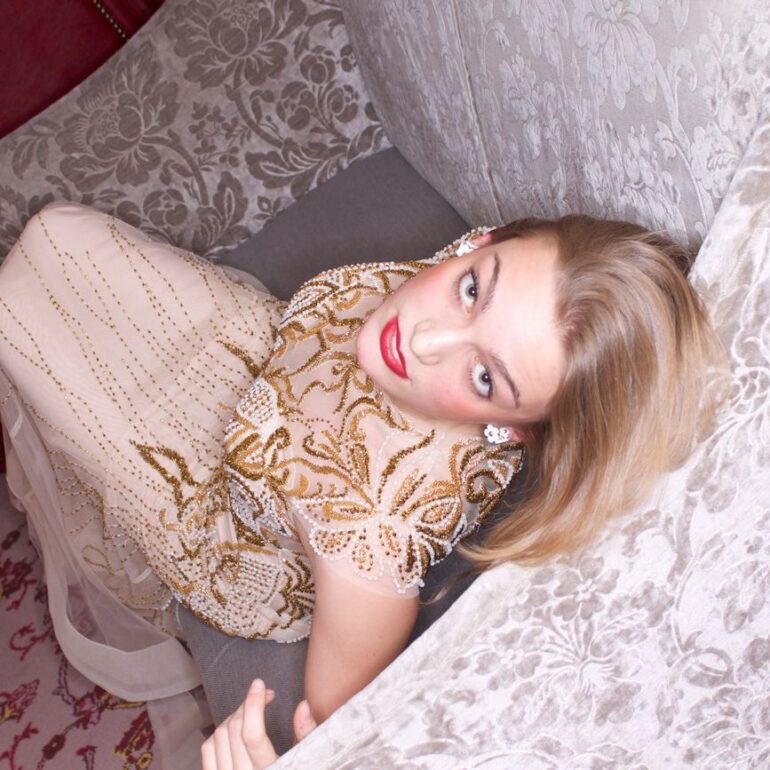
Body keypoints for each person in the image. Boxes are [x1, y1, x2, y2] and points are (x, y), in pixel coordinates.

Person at [0, 204, 723, 769]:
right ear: (486, 242)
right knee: (54, 235)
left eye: (484, 376)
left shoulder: (369, 534)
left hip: (216, 498)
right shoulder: (480, 279)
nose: (425, 339)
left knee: (16, 315)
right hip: (258, 354)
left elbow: (338, 726)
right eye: (473, 289)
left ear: (514, 431)